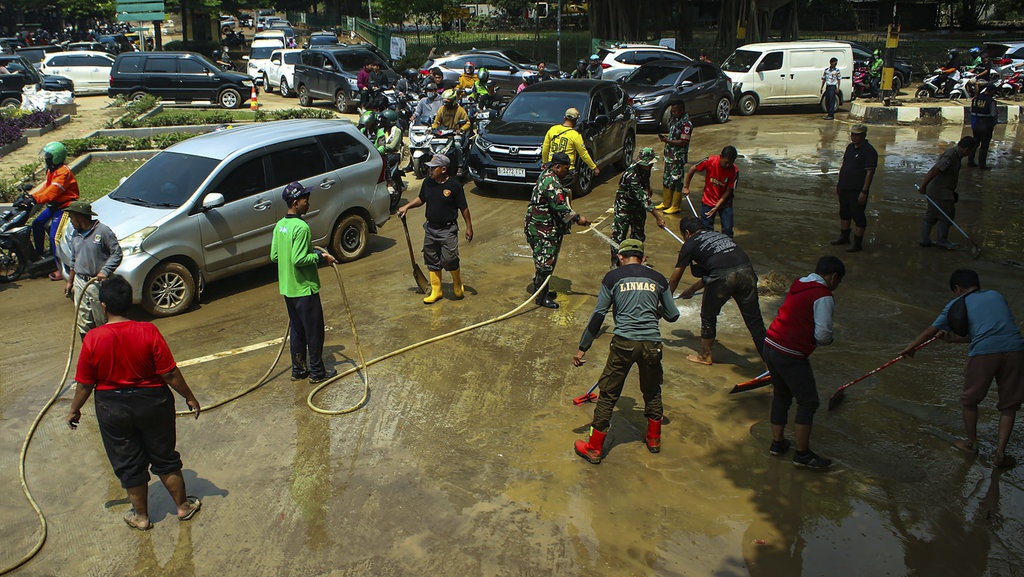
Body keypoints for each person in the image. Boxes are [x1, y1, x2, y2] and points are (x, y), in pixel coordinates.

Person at [66, 275, 202, 531]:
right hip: (153, 402)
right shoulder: (148, 331)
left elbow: (85, 383)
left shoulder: (93, 339)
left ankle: (141, 517)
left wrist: (74, 410)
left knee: (129, 464)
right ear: (131, 302)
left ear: (103, 306)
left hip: (112, 407)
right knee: (165, 458)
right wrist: (189, 396)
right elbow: (169, 372)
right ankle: (183, 507)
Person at [900, 269, 1024, 469]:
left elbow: (930, 331)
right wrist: (953, 340)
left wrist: (910, 348)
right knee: (1009, 405)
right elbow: (988, 331)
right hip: (1016, 349)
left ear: (957, 288)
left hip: (984, 353)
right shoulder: (995, 295)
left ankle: (971, 444)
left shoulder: (956, 304)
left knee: (969, 400)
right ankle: (1000, 453)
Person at [572, 239, 680, 464]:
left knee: (608, 395)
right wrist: (655, 310)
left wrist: (583, 347)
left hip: (624, 344)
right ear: (643, 257)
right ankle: (653, 439)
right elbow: (673, 315)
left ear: (620, 257)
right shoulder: (658, 279)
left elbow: (599, 314)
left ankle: (593, 448)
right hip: (652, 344)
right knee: (652, 391)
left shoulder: (613, 277)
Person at [763, 256, 845, 470]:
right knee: (809, 402)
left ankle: (777, 443)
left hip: (770, 344)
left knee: (781, 394)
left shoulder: (800, 284)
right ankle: (802, 454)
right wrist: (823, 340)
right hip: (789, 352)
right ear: (834, 277)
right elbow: (824, 334)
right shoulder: (823, 295)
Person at [668, 217, 766, 366]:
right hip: (746, 271)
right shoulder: (719, 235)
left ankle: (706, 356)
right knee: (755, 321)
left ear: (687, 233)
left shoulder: (690, 244)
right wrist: (692, 289)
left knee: (708, 315)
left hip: (723, 277)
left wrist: (666, 299)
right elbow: (717, 269)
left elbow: (675, 278)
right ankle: (771, 363)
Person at [270, 182, 338, 384]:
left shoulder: (280, 225)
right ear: (295, 202)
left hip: (288, 289)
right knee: (314, 332)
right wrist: (320, 257)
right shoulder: (301, 227)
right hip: (304, 289)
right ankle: (317, 373)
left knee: (298, 331)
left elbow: (275, 256)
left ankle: (298, 370)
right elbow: (299, 260)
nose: (308, 203)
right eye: (305, 200)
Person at [396, 154, 473, 304]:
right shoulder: (428, 183)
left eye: (433, 168)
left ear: (443, 169)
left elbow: (464, 208)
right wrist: (407, 206)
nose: (429, 170)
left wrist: (469, 227)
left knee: (450, 258)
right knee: (431, 258)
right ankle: (436, 290)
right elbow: (421, 199)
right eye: (430, 168)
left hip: (448, 229)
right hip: (430, 228)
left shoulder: (454, 186)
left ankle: (457, 282)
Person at [524, 152, 591, 309]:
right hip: (542, 229)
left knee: (545, 260)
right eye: (565, 169)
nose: (567, 172)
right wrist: (577, 218)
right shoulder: (551, 182)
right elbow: (559, 207)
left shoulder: (549, 176)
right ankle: (541, 297)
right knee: (545, 263)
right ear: (557, 166)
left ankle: (542, 289)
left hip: (543, 227)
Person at [64, 201, 122, 338]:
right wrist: (70, 281)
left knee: (101, 317)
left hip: (97, 283)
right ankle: (88, 348)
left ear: (80, 217)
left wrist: (105, 271)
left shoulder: (103, 231)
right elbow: (74, 259)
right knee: (83, 320)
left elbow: (117, 253)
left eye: (72, 218)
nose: (71, 222)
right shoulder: (75, 234)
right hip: (80, 282)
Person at [27, 141, 79, 280]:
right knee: (37, 224)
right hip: (54, 206)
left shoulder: (63, 173)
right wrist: (31, 196)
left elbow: (52, 193)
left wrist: (35, 200)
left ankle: (60, 268)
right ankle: (40, 255)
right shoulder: (52, 170)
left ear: (55, 157)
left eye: (48, 157)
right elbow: (46, 188)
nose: (46, 159)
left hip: (65, 207)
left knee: (54, 237)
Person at [610, 147, 665, 266]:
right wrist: (658, 217)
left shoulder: (646, 168)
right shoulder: (631, 175)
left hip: (637, 205)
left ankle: (636, 260)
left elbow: (646, 179)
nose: (649, 166)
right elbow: (645, 200)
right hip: (624, 204)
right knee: (619, 234)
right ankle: (616, 263)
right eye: (647, 164)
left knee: (639, 233)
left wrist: (648, 186)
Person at [918, 136, 974, 249]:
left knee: (932, 215)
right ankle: (941, 240)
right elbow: (935, 170)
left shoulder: (955, 155)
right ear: (966, 149)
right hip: (940, 191)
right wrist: (923, 186)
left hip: (942, 189)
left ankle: (925, 239)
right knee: (947, 215)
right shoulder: (951, 156)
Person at [829, 124, 877, 252]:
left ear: (864, 136)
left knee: (858, 215)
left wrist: (864, 191)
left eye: (857, 135)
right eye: (853, 134)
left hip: (857, 189)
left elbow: (870, 172)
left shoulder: (869, 151)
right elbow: (844, 166)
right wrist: (839, 184)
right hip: (844, 186)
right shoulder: (850, 148)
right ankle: (844, 236)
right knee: (844, 213)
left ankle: (857, 242)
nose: (854, 137)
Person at [683, 145, 739, 237]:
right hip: (708, 200)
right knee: (706, 228)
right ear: (721, 157)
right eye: (726, 162)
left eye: (730, 163)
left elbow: (729, 190)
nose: (728, 165)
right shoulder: (710, 161)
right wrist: (686, 187)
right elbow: (693, 168)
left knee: (727, 229)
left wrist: (717, 206)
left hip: (724, 202)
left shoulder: (734, 171)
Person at [656, 100, 692, 214]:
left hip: (677, 158)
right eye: (672, 111)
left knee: (676, 180)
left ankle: (676, 205)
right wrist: (667, 139)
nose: (674, 113)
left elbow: (683, 141)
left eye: (676, 111)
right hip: (669, 156)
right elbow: (674, 136)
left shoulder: (686, 124)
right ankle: (666, 202)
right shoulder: (674, 121)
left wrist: (668, 141)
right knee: (667, 179)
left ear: (682, 110)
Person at [541, 107, 598, 179]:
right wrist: (594, 168)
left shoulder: (552, 129)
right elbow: (584, 154)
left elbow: (545, 148)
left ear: (564, 117)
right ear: (576, 120)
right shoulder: (575, 135)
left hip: (552, 167)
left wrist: (545, 162)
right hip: (566, 170)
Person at [431, 89, 471, 175]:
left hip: (455, 134)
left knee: (457, 145)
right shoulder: (442, 109)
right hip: (443, 134)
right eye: (444, 101)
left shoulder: (460, 110)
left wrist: (460, 129)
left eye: (448, 102)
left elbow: (467, 123)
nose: (446, 104)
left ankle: (460, 165)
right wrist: (433, 129)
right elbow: (436, 122)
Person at [378, 109, 404, 211]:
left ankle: (388, 182)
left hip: (393, 154)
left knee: (384, 163)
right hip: (382, 152)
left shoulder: (397, 131)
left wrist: (381, 147)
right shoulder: (381, 130)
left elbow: (392, 145)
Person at [969, 83, 998, 169]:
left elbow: (971, 110)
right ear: (992, 91)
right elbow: (993, 114)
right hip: (986, 125)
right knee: (984, 146)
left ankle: (970, 162)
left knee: (975, 144)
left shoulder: (976, 99)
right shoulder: (991, 101)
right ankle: (982, 165)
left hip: (976, 124)